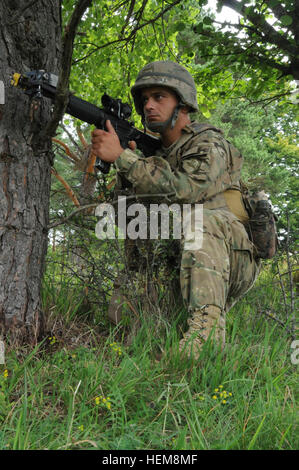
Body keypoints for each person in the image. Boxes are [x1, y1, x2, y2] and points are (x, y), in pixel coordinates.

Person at [91, 60, 260, 357]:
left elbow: (186, 190)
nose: (149, 106)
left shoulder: (210, 143)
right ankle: (160, 332)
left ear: (182, 104)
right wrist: (125, 169)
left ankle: (207, 337)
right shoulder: (151, 155)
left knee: (200, 221)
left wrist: (124, 158)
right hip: (185, 259)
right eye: (145, 100)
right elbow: (125, 218)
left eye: (159, 97)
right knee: (125, 327)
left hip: (232, 259)